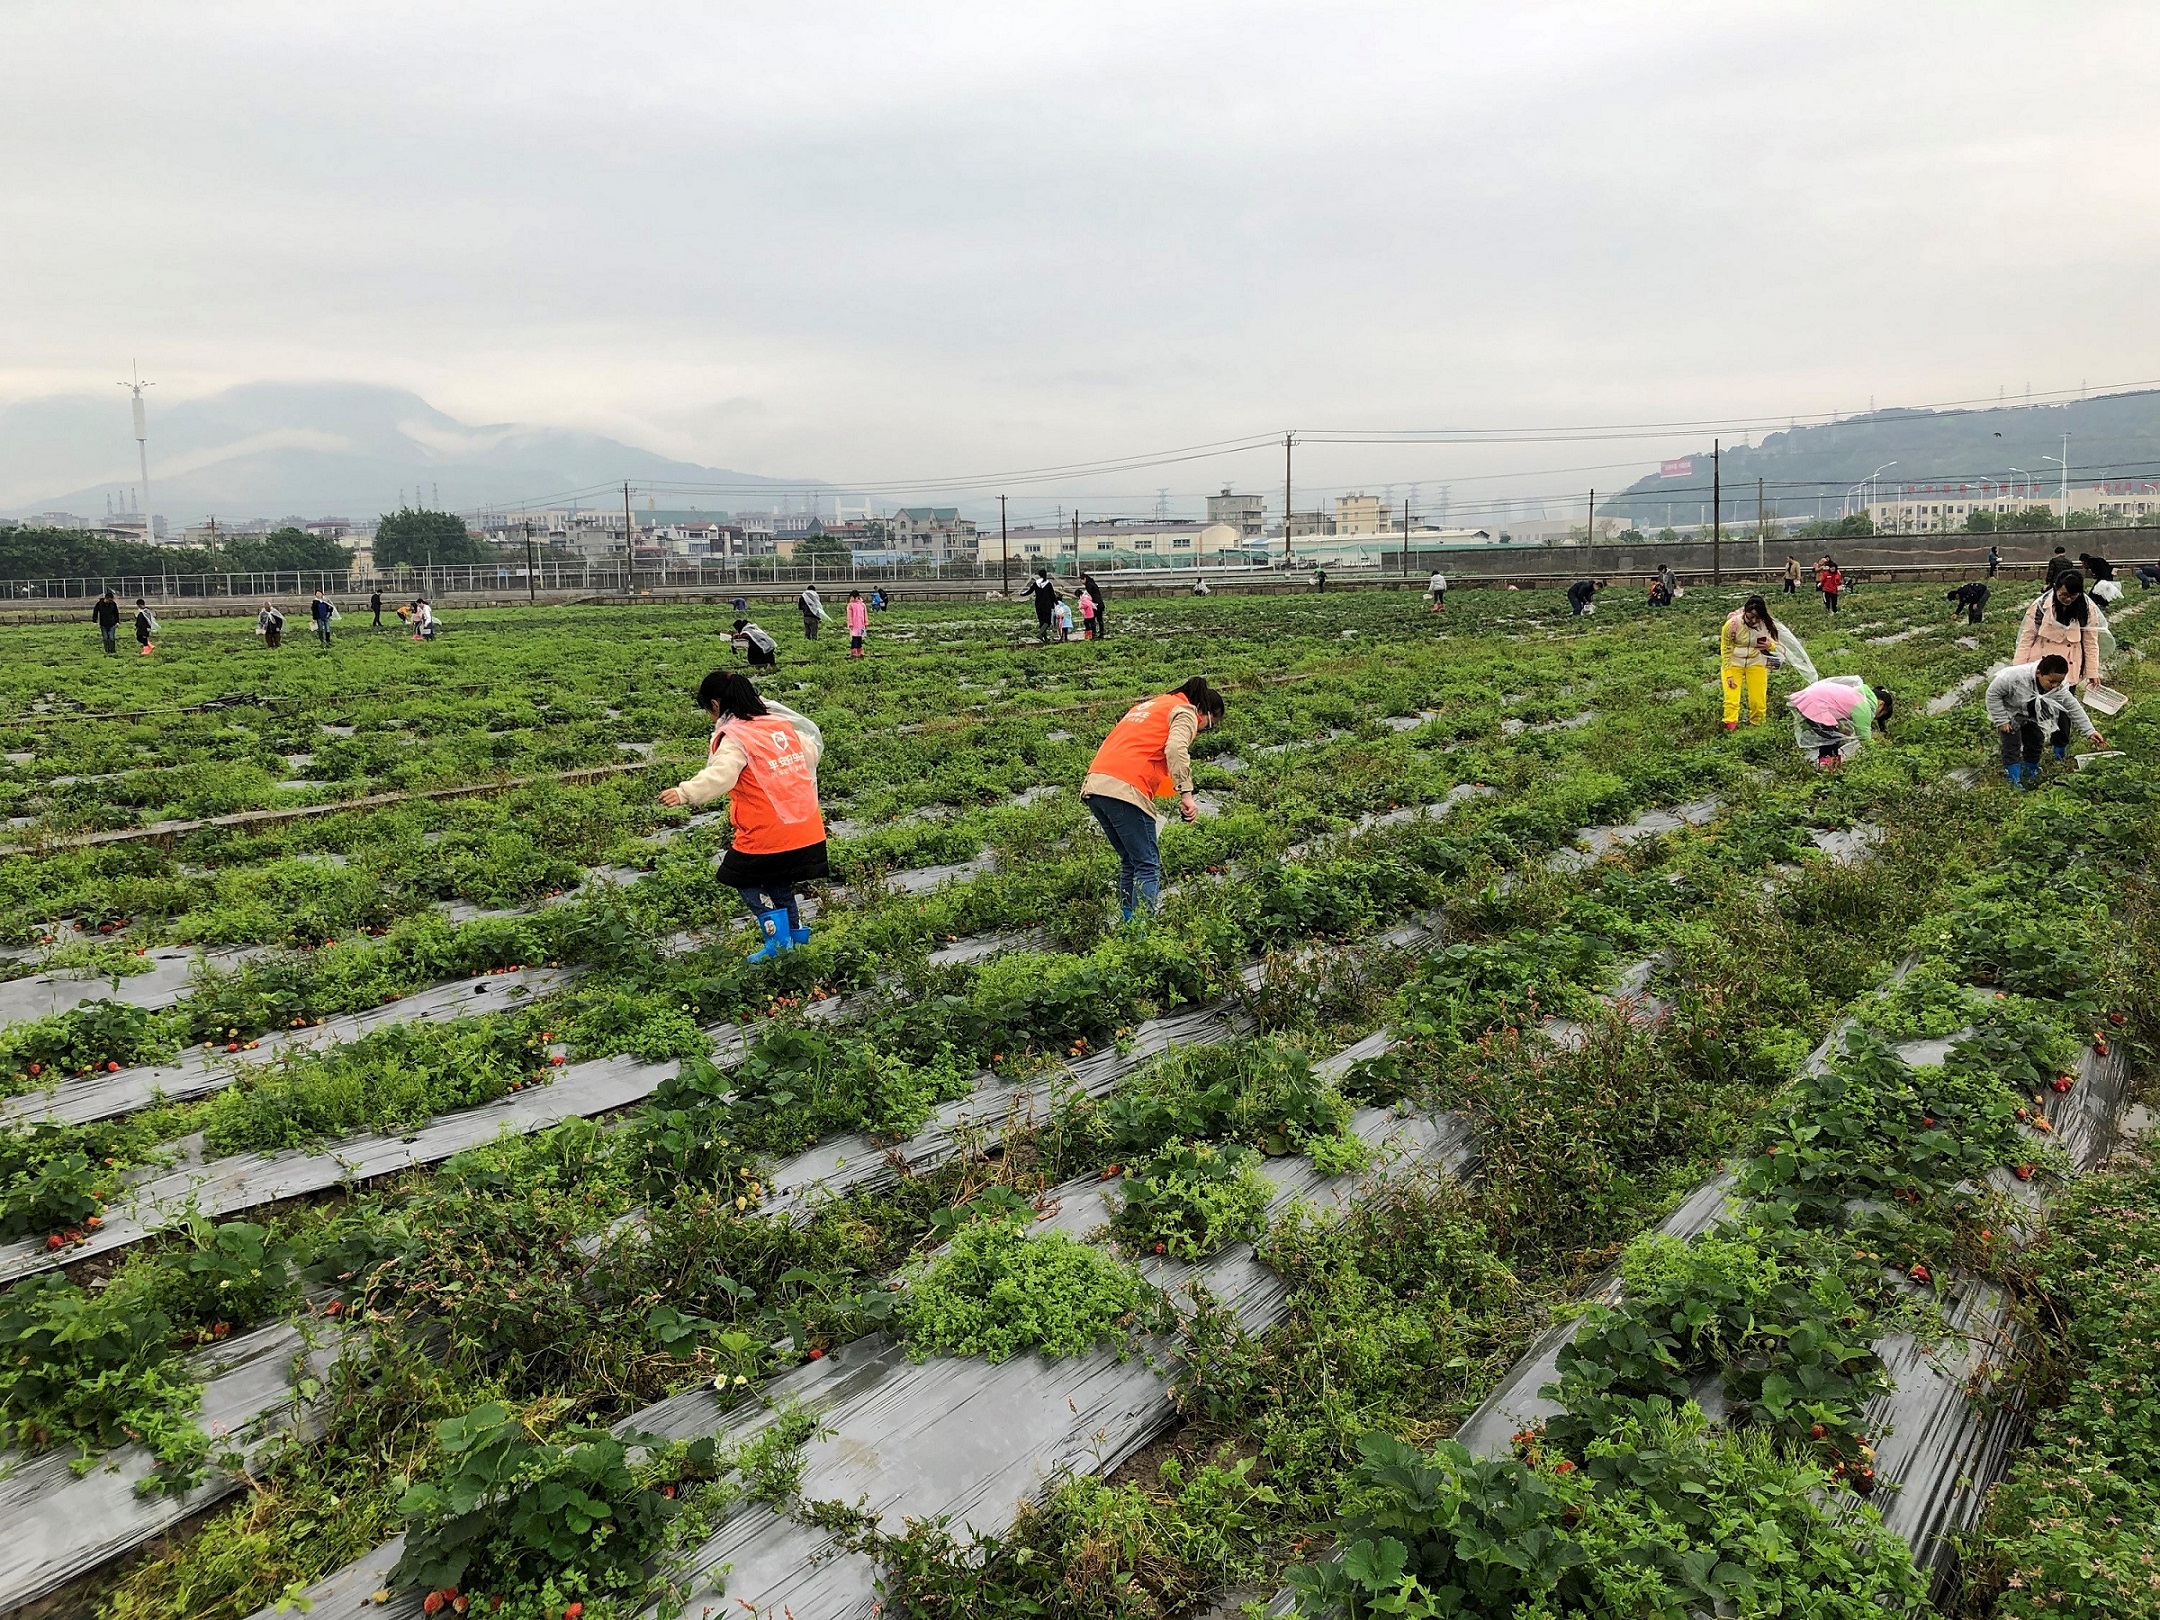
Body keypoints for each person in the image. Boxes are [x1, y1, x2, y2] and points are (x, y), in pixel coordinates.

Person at [658, 669, 829, 961]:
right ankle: (796, 939)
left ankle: (777, 940)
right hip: (806, 825)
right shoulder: (780, 726)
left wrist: (685, 792)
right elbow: (810, 753)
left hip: (768, 831)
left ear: (715, 704)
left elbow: (721, 775)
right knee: (778, 883)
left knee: (739, 878)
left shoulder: (737, 737)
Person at [1081, 678, 1225, 922]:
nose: (1200, 732)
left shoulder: (1151, 706)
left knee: (1131, 860)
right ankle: (1141, 933)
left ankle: (1129, 923)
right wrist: (1187, 794)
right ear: (1204, 712)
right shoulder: (1185, 711)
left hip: (1096, 784)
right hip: (1125, 787)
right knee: (1147, 866)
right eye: (1207, 727)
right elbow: (1176, 749)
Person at [1986, 655, 2106, 788]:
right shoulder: (2014, 677)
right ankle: (2013, 779)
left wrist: (2090, 731)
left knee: (2036, 740)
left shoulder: (2058, 688)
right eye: (2051, 681)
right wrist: (2001, 720)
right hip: (2009, 712)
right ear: (2039, 673)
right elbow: (1992, 694)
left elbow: (2073, 707)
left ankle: (2030, 771)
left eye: (2058, 682)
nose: (2054, 685)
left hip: (2031, 713)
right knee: (2012, 745)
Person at [2013, 571, 2103, 692]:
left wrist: (2092, 672)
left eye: (2073, 595)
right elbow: (2026, 638)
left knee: (2064, 705)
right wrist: (2018, 669)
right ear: (2056, 587)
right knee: (2038, 704)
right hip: (2042, 664)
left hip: (2069, 665)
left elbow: (2090, 642)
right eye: (2064, 594)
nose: (2068, 599)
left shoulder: (2087, 610)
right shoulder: (2040, 606)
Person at [1787, 675, 1892, 770]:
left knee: (1831, 735)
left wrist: (1841, 730)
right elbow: (1864, 737)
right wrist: (1878, 750)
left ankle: (1827, 766)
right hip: (1817, 704)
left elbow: (1837, 708)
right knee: (1831, 739)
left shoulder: (1858, 693)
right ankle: (1828, 769)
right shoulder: (1863, 707)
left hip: (1812, 698)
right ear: (1881, 704)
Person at [1719, 595, 1782, 730]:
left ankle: (1757, 727)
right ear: (1745, 612)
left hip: (1756, 662)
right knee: (1731, 700)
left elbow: (1777, 643)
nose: (1753, 621)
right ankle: (1730, 728)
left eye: (1757, 618)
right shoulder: (1732, 625)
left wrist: (1769, 645)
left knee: (1758, 700)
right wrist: (1728, 673)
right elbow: (1725, 649)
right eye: (1750, 617)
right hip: (1734, 663)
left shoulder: (1767, 624)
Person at [1029, 570, 1061, 640]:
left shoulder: (1036, 583)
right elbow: (1052, 595)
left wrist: (1021, 594)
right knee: (1047, 622)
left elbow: (1029, 591)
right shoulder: (1048, 584)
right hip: (1047, 605)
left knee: (1042, 622)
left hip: (1038, 605)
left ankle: (1045, 638)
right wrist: (1057, 603)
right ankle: (1040, 634)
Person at [91, 589, 120, 655]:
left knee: (112, 638)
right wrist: (94, 621)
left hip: (112, 624)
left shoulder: (113, 604)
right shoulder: (99, 604)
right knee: (105, 638)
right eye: (109, 600)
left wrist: (117, 622)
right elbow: (95, 612)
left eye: (111, 600)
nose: (110, 601)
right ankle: (107, 651)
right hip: (103, 624)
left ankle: (112, 651)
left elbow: (116, 613)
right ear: (106, 598)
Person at [1081, 572, 1106, 637]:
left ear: (1085, 579)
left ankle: (1093, 633)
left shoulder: (1089, 585)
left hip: (1095, 604)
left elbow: (1088, 596)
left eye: (1081, 580)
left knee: (1092, 620)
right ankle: (1101, 632)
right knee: (1100, 619)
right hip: (1100, 603)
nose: (1081, 582)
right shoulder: (1093, 584)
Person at [844, 588, 868, 658]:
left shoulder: (862, 605)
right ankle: (854, 651)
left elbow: (865, 614)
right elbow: (849, 615)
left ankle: (859, 650)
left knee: (860, 638)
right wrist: (850, 623)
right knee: (854, 638)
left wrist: (866, 622)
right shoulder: (850, 605)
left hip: (861, 624)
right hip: (854, 625)